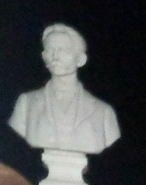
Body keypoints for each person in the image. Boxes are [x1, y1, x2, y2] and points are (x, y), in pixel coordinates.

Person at [9, 24, 120, 154]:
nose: (55, 56)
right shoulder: (26, 104)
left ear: (80, 59)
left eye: (63, 50)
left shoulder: (104, 113)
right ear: (44, 56)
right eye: (50, 50)